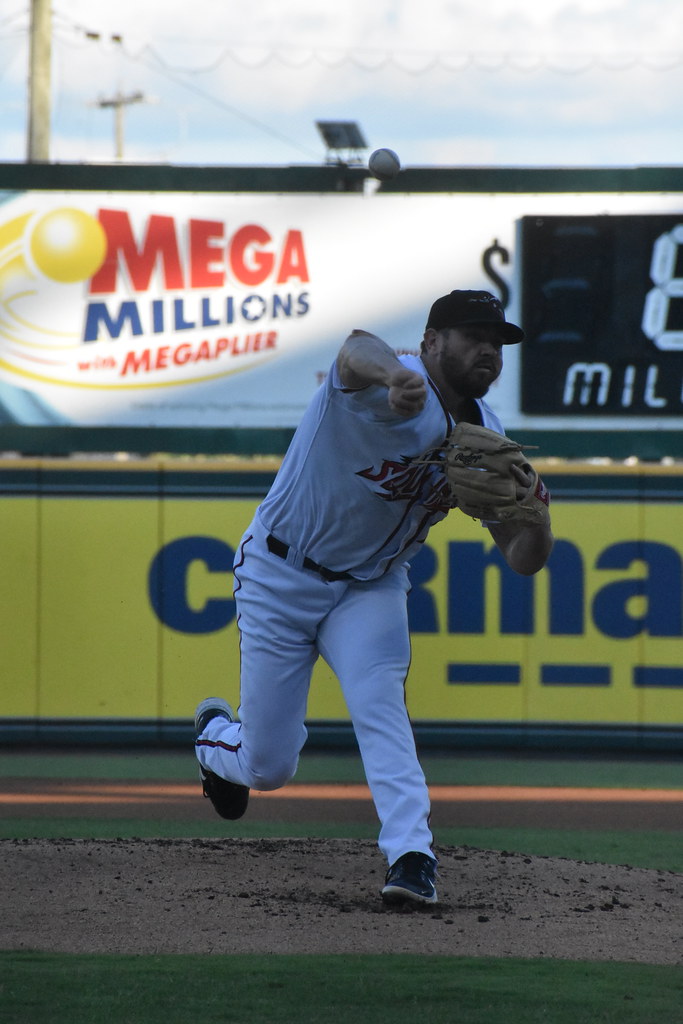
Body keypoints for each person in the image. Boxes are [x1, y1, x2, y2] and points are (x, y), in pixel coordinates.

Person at [194, 289, 554, 906]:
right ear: (432, 342)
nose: (490, 350)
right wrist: (392, 373)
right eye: (474, 335)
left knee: (380, 704)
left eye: (498, 341)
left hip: (372, 587)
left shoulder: (485, 435)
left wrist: (538, 517)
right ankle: (214, 737)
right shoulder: (385, 381)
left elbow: (523, 560)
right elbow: (352, 347)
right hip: (281, 572)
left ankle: (412, 856)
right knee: (268, 766)